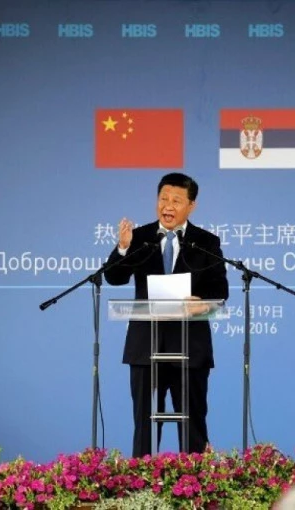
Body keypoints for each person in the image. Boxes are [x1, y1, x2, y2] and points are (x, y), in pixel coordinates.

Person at [104, 172, 229, 457]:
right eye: (163, 199)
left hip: (190, 348)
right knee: (144, 426)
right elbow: (114, 277)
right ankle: (141, 481)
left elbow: (220, 289)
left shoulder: (206, 242)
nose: (167, 206)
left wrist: (204, 303)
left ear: (191, 205)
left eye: (176, 200)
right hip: (145, 347)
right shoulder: (139, 237)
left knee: (193, 425)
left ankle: (196, 481)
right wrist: (123, 247)